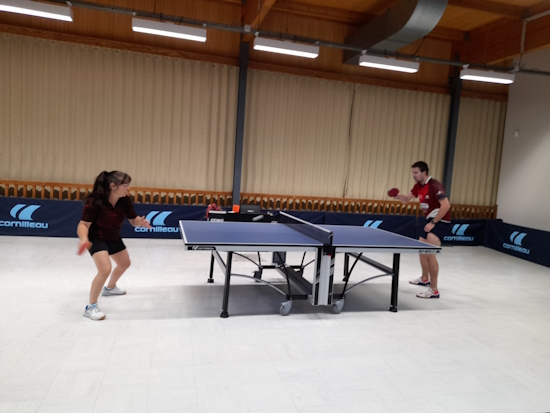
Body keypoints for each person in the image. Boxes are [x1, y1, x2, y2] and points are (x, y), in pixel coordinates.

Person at [77, 171, 151, 320]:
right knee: (105, 269)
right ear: (113, 186)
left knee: (125, 264)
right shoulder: (95, 202)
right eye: (125, 185)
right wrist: (84, 238)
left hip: (113, 237)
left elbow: (133, 219)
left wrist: (140, 222)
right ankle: (91, 307)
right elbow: (83, 224)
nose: (128, 188)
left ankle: (110, 288)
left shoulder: (124, 200)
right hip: (96, 238)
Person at [392, 161, 451, 299]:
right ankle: (425, 278)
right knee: (422, 250)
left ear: (424, 172)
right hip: (428, 220)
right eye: (413, 172)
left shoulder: (435, 185)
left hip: (440, 221)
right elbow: (406, 199)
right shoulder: (418, 186)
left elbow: (446, 205)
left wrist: (434, 222)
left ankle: (434, 290)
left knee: (430, 254)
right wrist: (399, 196)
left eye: (416, 172)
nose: (413, 175)